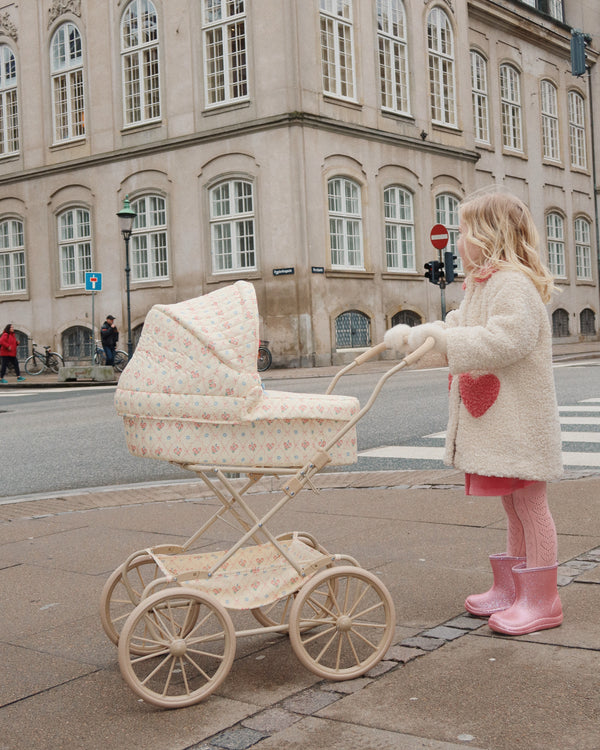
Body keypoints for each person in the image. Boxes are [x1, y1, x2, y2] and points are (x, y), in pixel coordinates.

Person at [384, 191, 563, 636]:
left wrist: (444, 343)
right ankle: (513, 590)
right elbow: (457, 328)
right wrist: (419, 339)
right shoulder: (484, 283)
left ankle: (542, 599)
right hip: (505, 425)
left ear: (489, 235)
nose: (458, 240)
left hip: (521, 423)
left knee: (530, 503)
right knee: (513, 504)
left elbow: (508, 339)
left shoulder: (513, 284)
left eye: (464, 232)